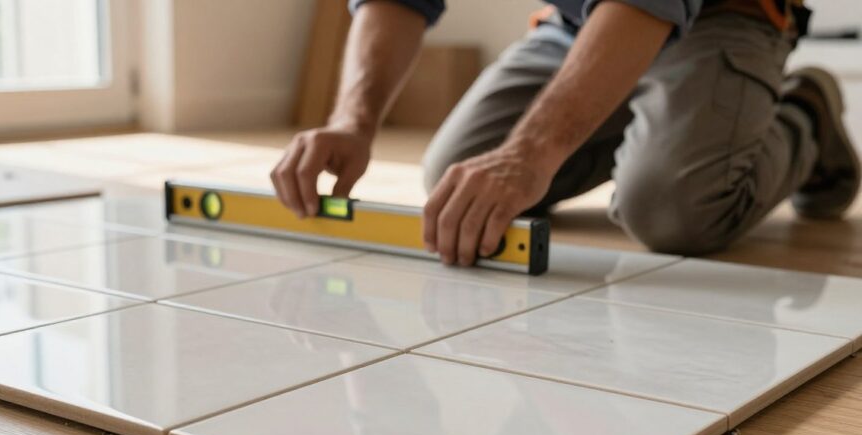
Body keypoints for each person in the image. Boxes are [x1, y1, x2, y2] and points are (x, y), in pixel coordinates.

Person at [270, 0, 860, 266]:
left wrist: (531, 153)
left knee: (670, 211)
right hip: (579, 24)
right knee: (458, 174)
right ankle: (665, 119)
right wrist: (353, 121)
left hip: (723, 14)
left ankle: (804, 109)